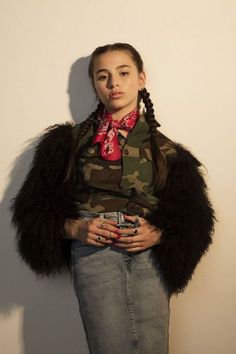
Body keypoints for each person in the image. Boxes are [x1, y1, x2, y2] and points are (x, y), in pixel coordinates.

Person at [10, 43, 215, 354]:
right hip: (94, 255)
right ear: (94, 84)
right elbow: (33, 209)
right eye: (102, 76)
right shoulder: (67, 144)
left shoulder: (168, 151)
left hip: (149, 259)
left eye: (123, 73)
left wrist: (158, 232)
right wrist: (76, 229)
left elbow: (194, 217)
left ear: (141, 78)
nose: (114, 83)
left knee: (153, 347)